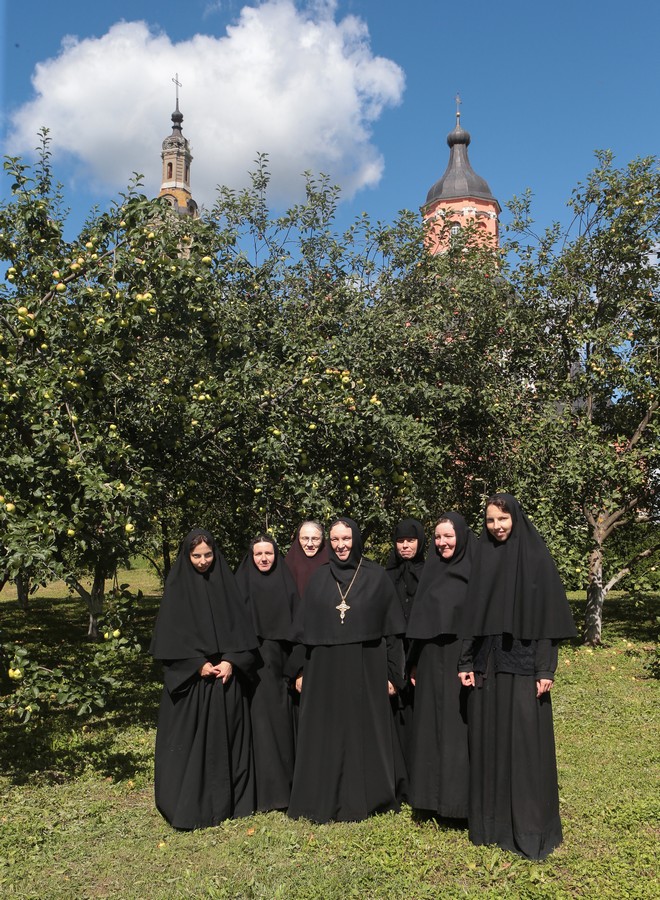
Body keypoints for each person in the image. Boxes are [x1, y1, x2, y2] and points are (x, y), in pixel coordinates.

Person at [458, 494, 577, 859]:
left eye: (503, 519)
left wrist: (545, 668)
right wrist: (466, 662)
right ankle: (491, 826)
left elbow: (547, 619)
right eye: (491, 520)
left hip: (525, 666)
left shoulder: (536, 558)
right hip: (489, 666)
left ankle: (528, 829)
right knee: (490, 741)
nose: (497, 526)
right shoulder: (482, 557)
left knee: (524, 746)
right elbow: (472, 617)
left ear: (516, 519)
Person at [286, 517, 407, 823]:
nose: (341, 545)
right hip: (323, 669)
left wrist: (393, 674)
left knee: (364, 731)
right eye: (336, 539)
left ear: (356, 540)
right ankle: (324, 796)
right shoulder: (319, 577)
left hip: (366, 666)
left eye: (346, 539)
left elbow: (393, 631)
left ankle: (369, 796)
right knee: (326, 731)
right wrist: (298, 670)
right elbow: (302, 631)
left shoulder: (376, 576)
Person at [150, 528, 258, 830]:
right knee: (191, 748)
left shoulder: (226, 585)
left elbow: (242, 632)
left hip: (224, 681)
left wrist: (231, 661)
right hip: (193, 686)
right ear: (187, 556)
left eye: (208, 555)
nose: (202, 561)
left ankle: (229, 804)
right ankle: (192, 806)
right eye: (196, 556)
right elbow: (170, 640)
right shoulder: (178, 589)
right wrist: (197, 665)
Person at [406, 512, 476, 819]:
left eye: (448, 536)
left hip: (460, 657)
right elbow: (421, 620)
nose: (442, 542)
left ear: (461, 536)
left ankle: (457, 804)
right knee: (429, 728)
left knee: (456, 729)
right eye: (437, 537)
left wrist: (468, 658)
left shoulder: (474, 570)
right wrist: (413, 663)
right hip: (429, 658)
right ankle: (428, 800)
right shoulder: (431, 570)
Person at [235, 534, 299, 812]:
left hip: (280, 668)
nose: (264, 558)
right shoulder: (241, 584)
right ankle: (260, 793)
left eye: (269, 553)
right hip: (251, 667)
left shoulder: (286, 583)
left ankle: (283, 790)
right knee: (257, 726)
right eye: (258, 554)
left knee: (280, 726)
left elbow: (296, 628)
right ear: (251, 557)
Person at [385, 518, 426, 776]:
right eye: (400, 541)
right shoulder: (386, 575)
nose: (405, 546)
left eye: (410, 540)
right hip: (394, 649)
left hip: (421, 649)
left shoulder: (430, 573)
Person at [284, 520, 329, 596]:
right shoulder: (288, 565)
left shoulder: (331, 563)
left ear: (322, 539)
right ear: (298, 539)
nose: (310, 544)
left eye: (315, 539)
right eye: (305, 538)